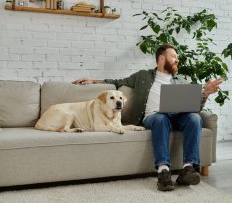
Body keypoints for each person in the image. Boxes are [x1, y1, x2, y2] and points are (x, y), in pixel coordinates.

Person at [73, 44, 222, 191]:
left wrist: (205, 94)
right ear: (162, 58)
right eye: (174, 56)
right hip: (154, 117)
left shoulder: (181, 80)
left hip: (177, 117)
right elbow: (118, 82)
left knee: (195, 118)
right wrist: (94, 81)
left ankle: (188, 169)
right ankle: (163, 172)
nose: (177, 60)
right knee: (160, 119)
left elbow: (194, 108)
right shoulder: (143, 76)